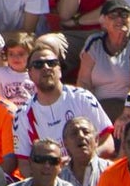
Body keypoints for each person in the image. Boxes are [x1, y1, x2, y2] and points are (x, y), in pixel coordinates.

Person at [12, 44, 114, 175]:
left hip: (90, 173)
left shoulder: (82, 98)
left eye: (51, 63)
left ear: (59, 69)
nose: (46, 68)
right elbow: (24, 166)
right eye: (38, 64)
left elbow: (109, 144)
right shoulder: (22, 115)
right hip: (52, 183)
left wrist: (80, 160)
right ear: (30, 73)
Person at [76, 0, 130, 120]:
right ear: (103, 21)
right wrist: (89, 112)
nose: (119, 19)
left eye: (124, 15)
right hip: (98, 108)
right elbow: (84, 82)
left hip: (129, 108)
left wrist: (125, 115)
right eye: (113, 15)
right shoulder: (94, 42)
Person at [0, 31, 35, 107]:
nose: (15, 58)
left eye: (21, 54)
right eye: (11, 54)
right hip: (7, 115)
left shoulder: (35, 74)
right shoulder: (0, 74)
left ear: (31, 55)